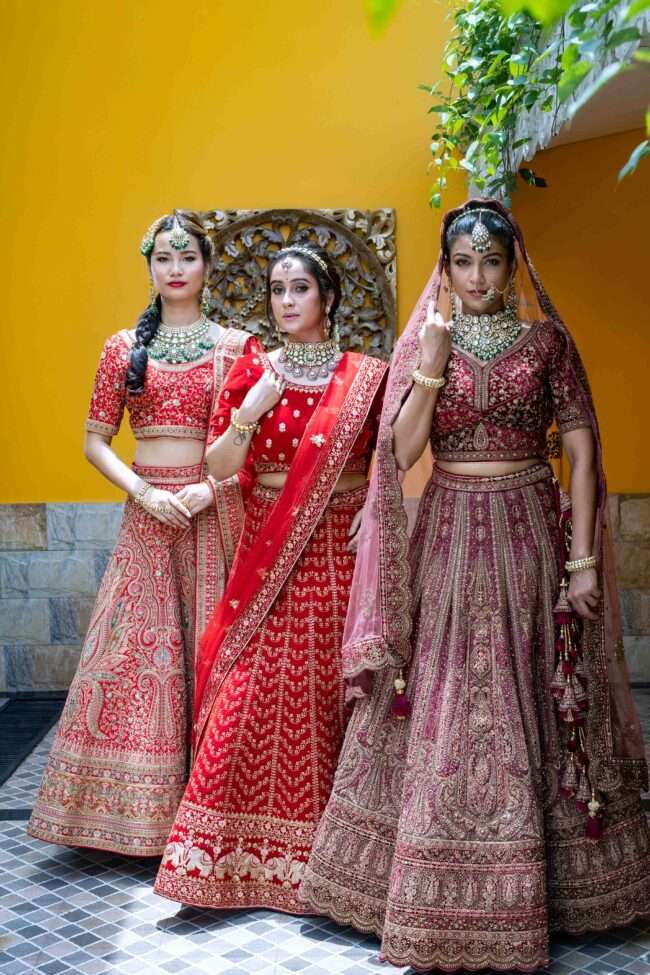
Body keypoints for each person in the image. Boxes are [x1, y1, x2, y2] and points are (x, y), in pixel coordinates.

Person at [300, 200, 650, 971]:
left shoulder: (548, 342)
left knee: (533, 680)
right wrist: (430, 360)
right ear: (446, 267)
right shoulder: (428, 341)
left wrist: (584, 561)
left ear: (512, 265)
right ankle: (422, 882)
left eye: (492, 261)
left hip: (530, 530)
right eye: (464, 262)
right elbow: (399, 453)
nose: (479, 276)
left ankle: (549, 888)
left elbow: (582, 454)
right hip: (448, 529)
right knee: (441, 684)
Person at [153, 243, 387, 913]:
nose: (286, 301)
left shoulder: (366, 376)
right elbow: (221, 465)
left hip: (339, 552)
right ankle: (219, 862)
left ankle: (333, 866)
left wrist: (376, 506)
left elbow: (396, 457)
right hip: (268, 551)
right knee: (246, 692)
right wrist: (249, 410)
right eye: (278, 290)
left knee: (333, 694)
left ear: (328, 298)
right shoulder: (256, 370)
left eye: (299, 288)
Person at [28, 210, 260, 856]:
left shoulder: (237, 347)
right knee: (133, 658)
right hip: (148, 517)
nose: (176, 268)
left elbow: (258, 447)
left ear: (207, 265)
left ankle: (209, 817)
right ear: (150, 266)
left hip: (211, 515)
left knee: (210, 655)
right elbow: (95, 441)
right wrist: (146, 493)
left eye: (187, 256)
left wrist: (207, 489)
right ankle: (132, 819)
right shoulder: (123, 347)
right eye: (164, 257)